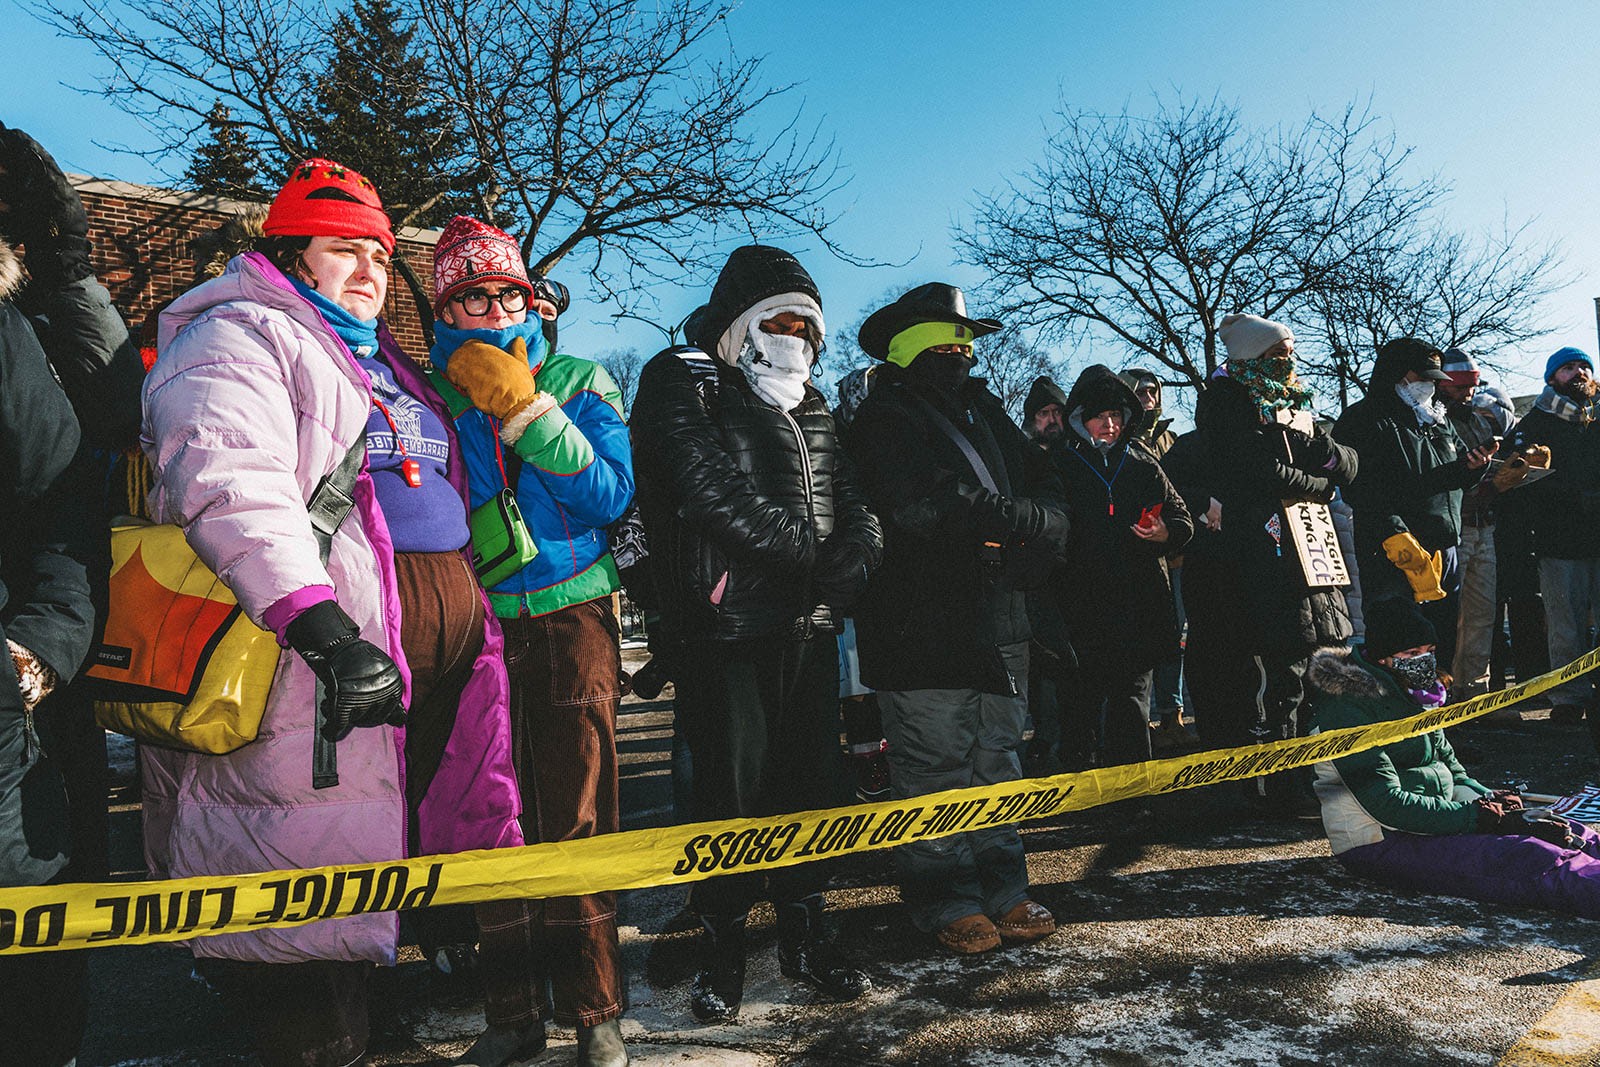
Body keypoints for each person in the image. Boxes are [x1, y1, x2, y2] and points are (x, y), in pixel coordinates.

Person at [141, 160, 523, 1067]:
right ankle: (319, 1046)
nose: (368, 272)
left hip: (431, 655)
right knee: (302, 850)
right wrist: (318, 624)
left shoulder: (376, 352)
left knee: (382, 840)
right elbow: (230, 479)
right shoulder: (241, 332)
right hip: (310, 656)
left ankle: (375, 1022)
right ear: (288, 254)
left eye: (381, 258)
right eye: (343, 250)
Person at [630, 244, 880, 1023]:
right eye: (777, 318)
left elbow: (858, 496)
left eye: (808, 324)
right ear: (741, 321)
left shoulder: (815, 404)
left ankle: (808, 932)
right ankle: (721, 945)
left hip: (808, 628)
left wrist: (859, 557)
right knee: (726, 796)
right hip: (727, 627)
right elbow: (705, 488)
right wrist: (817, 557)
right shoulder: (684, 377)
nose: (794, 335)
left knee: (811, 785)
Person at [426, 215, 634, 1067]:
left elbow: (610, 496)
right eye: (468, 296)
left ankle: (597, 1012)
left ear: (528, 298)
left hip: (572, 613)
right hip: (475, 624)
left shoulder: (580, 378)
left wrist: (524, 409)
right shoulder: (431, 395)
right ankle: (511, 1012)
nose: (488, 306)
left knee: (577, 811)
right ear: (448, 313)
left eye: (502, 291)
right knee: (490, 818)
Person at [847, 283, 1068, 955]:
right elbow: (924, 506)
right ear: (904, 344)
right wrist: (1019, 520)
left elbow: (1043, 480)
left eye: (967, 340)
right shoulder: (882, 419)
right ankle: (944, 897)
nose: (962, 352)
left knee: (998, 759)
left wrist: (1042, 516)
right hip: (922, 631)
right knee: (933, 767)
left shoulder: (987, 409)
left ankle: (1004, 889)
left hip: (1002, 622)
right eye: (945, 340)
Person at [1309, 597, 1600, 920]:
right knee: (1531, 857)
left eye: (1429, 651)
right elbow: (1386, 803)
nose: (1423, 661)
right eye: (1410, 654)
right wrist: (1484, 820)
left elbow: (1453, 772)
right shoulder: (1347, 709)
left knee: (1560, 827)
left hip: (1440, 821)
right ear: (1382, 659)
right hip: (1382, 839)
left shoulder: (1412, 694)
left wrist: (1494, 804)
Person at [1186, 314, 1356, 812]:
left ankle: (1294, 780)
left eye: (1290, 352)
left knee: (1302, 670)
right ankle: (1263, 783)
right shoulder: (1225, 408)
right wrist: (1322, 484)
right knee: (1266, 676)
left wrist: (1321, 458)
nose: (1288, 362)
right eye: (1277, 354)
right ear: (1251, 359)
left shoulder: (1298, 406)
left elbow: (1349, 461)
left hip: (1307, 554)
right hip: (1257, 560)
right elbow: (1260, 472)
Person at [0, 207, 98, 1067]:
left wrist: (37, 646)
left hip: (4, 708)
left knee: (28, 937)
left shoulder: (8, 338)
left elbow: (66, 512)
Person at [1046, 365, 1191, 767]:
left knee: (1131, 707)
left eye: (1116, 416)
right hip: (1080, 611)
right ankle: (1079, 797)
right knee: (1079, 707)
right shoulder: (1058, 463)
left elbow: (1183, 519)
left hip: (1138, 607)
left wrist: (1166, 531)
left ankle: (1133, 797)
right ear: (1080, 418)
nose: (1109, 425)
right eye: (1100, 417)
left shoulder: (1144, 463)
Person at [1334, 338, 1495, 672]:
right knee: (1400, 641)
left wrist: (1471, 469)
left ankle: (1438, 713)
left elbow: (1442, 476)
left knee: (1442, 639)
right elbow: (1360, 486)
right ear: (1396, 373)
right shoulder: (1363, 419)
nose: (1431, 384)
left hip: (1444, 547)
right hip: (1394, 550)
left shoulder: (1438, 419)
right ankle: (1401, 718)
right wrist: (1393, 532)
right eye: (1423, 376)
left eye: (1434, 377)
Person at [1500, 347, 1600, 727]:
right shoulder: (1535, 423)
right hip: (1558, 540)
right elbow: (1515, 480)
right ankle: (1569, 698)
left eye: (1584, 366)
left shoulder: (1598, 415)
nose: (1579, 373)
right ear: (1551, 377)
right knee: (1565, 627)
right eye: (1568, 368)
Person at [1437, 349, 1517, 702]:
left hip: (1485, 525)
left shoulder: (1479, 422)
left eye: (1472, 385)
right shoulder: (1436, 422)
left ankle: (1476, 694)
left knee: (1483, 615)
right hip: (1457, 527)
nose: (1468, 392)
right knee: (1453, 616)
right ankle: (1447, 693)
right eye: (1460, 385)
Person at [1122, 367, 1185, 745]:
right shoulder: (1120, 438)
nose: (1149, 398)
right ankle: (1138, 719)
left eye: (1154, 391)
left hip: (1175, 555)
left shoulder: (1172, 440)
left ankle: (1172, 716)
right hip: (1137, 554)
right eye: (1141, 392)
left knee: (1175, 637)